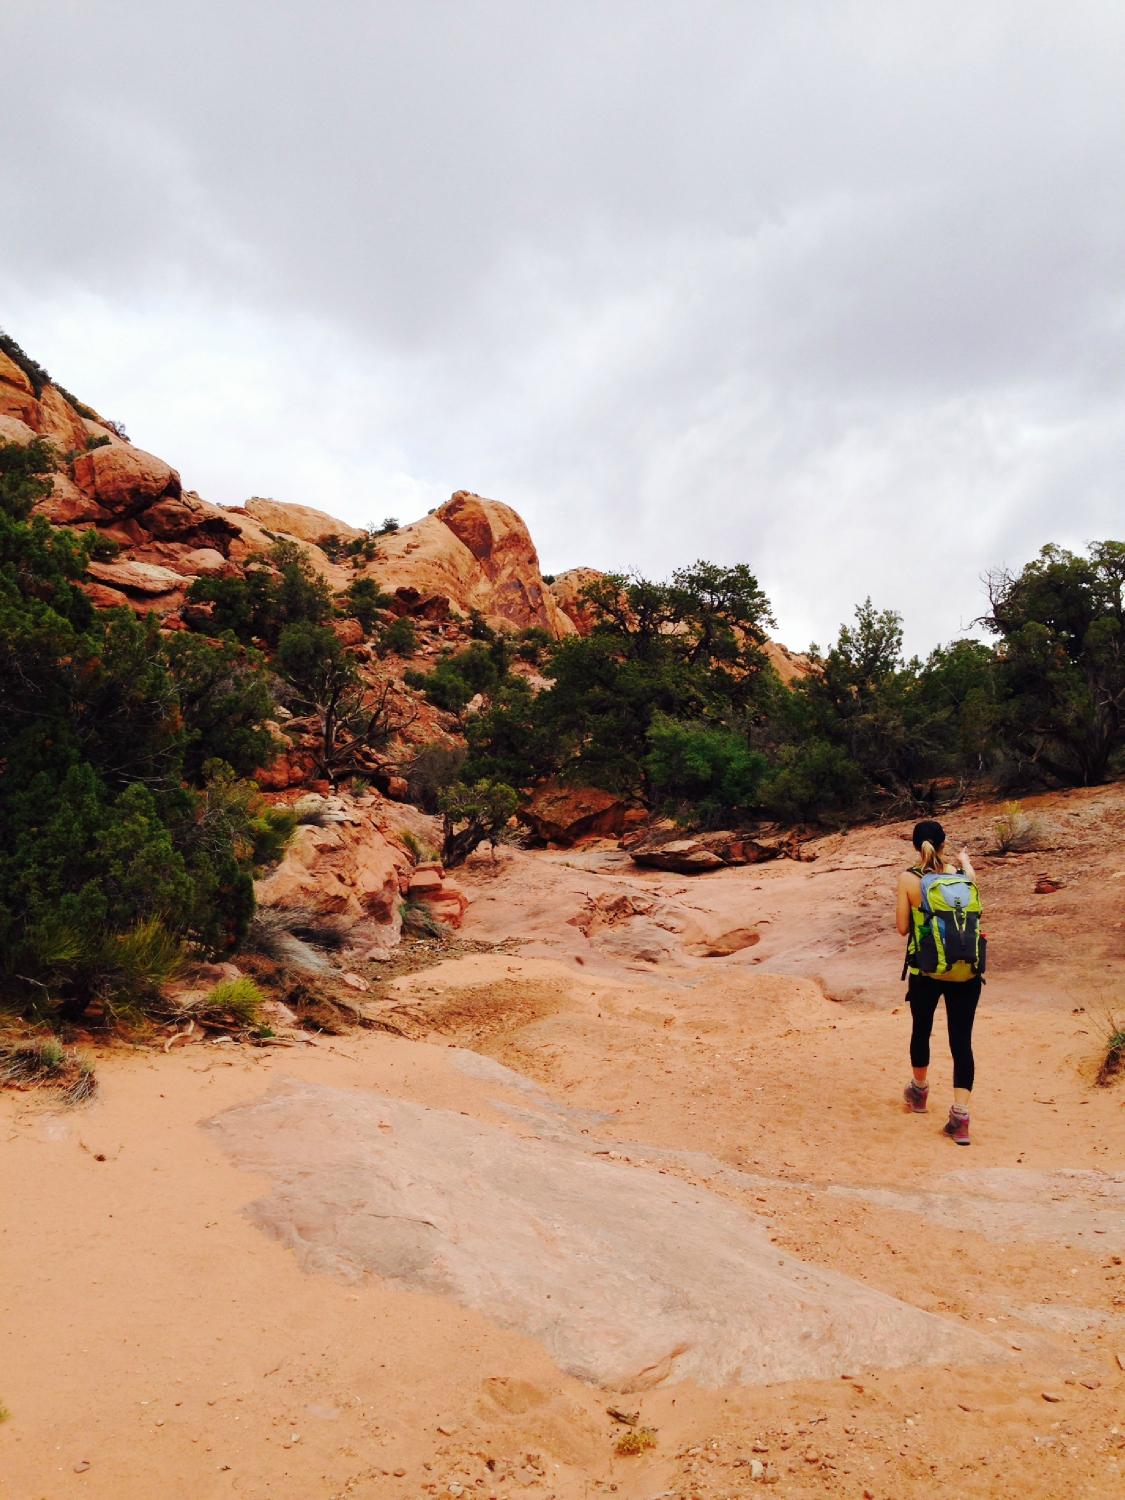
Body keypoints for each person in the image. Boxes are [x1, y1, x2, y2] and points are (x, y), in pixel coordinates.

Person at [895, 819, 982, 1145]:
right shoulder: (961, 877)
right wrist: (966, 863)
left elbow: (903, 928)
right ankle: (960, 1118)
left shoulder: (909, 878)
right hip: (966, 970)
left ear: (917, 846)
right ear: (944, 844)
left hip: (926, 970)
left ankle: (919, 1093)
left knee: (922, 1028)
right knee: (962, 1041)